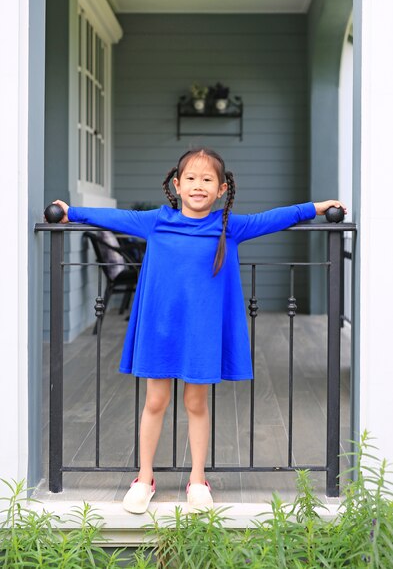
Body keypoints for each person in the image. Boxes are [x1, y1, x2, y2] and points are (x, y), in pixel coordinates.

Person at [52, 148, 346, 514]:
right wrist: (72, 213)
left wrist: (314, 208)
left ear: (221, 189)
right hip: (161, 329)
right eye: (190, 178)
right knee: (155, 401)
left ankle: (197, 479)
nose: (198, 186)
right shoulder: (157, 221)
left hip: (201, 333)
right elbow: (116, 216)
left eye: (207, 180)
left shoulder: (229, 226)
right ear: (177, 185)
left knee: (196, 403)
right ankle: (144, 478)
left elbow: (271, 218)